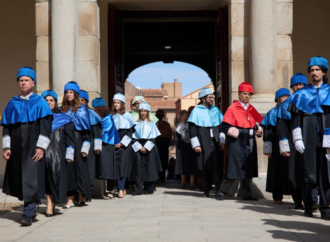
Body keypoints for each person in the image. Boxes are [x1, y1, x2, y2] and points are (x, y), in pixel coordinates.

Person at [1, 67, 52, 226]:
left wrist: (41, 147)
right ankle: (31, 206)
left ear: (33, 83)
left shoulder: (40, 102)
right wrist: (6, 147)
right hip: (16, 148)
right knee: (20, 179)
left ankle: (28, 213)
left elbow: (45, 127)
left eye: (26, 80)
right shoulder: (12, 103)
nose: (23, 83)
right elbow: (7, 127)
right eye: (21, 81)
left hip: (33, 147)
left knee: (31, 178)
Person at [289, 56, 330, 219]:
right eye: (312, 70)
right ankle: (308, 205)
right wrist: (297, 137)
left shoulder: (329, 91)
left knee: (326, 172)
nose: (314, 73)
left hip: (326, 137)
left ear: (323, 72)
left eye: (317, 70)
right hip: (308, 136)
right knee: (308, 171)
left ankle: (325, 208)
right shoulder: (302, 94)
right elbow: (295, 118)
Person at [218, 82, 263, 201]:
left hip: (249, 142)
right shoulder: (232, 108)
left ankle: (247, 194)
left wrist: (259, 131)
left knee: (248, 167)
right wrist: (237, 131)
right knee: (234, 167)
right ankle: (222, 191)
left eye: (249, 94)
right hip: (236, 142)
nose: (247, 96)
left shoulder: (252, 109)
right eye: (245, 94)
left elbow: (259, 123)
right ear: (239, 94)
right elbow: (225, 127)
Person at [275, 73, 307, 209]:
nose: (298, 87)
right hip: (291, 142)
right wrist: (284, 146)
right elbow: (281, 128)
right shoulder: (284, 106)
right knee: (294, 172)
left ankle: (310, 199)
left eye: (301, 85)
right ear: (292, 87)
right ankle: (298, 200)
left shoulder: (312, 100)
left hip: (309, 140)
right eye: (295, 85)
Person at [41, 90, 74, 217]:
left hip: (58, 154)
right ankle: (49, 203)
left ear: (55, 102)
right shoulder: (39, 118)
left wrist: (70, 153)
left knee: (55, 179)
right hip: (42, 153)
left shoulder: (64, 118)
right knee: (45, 179)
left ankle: (51, 204)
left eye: (51, 100)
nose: (49, 102)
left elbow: (70, 138)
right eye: (46, 100)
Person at [188, 87, 225, 198]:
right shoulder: (196, 111)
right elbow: (192, 130)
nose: (212, 99)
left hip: (216, 142)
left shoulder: (216, 110)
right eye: (209, 97)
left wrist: (222, 141)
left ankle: (218, 189)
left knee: (217, 167)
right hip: (203, 143)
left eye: (212, 97)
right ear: (203, 99)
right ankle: (206, 190)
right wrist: (196, 144)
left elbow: (222, 127)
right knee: (204, 167)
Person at [61, 81, 92, 208]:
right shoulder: (62, 109)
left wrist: (85, 148)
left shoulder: (82, 109)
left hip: (78, 141)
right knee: (69, 170)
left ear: (76, 94)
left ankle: (81, 195)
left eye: (71, 92)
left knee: (79, 169)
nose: (69, 94)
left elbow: (87, 133)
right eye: (67, 92)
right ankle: (69, 199)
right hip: (66, 142)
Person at [261, 88, 291, 205]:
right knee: (276, 170)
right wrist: (268, 148)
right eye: (282, 97)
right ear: (277, 99)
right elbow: (267, 132)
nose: (285, 99)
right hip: (275, 144)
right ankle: (277, 196)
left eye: (287, 97)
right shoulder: (272, 113)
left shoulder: (291, 110)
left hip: (290, 143)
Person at [130, 102, 162, 195]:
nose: (143, 113)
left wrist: (146, 147)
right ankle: (138, 189)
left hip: (149, 147)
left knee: (149, 167)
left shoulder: (152, 124)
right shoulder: (135, 123)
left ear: (148, 112)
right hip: (138, 146)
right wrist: (140, 147)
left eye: (145, 111)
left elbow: (154, 138)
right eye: (141, 111)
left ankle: (149, 188)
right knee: (137, 168)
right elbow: (132, 137)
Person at [92, 97, 120, 199]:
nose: (94, 110)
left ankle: (111, 191)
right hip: (99, 144)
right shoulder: (97, 117)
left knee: (109, 169)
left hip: (107, 145)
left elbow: (105, 131)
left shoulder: (107, 118)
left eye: (95, 108)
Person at [79, 90, 102, 200]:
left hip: (90, 143)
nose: (80, 102)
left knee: (88, 167)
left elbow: (96, 131)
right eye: (77, 100)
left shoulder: (91, 114)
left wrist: (97, 146)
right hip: (78, 142)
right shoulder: (73, 112)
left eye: (82, 100)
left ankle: (88, 192)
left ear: (86, 101)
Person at [111, 93, 135, 198]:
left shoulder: (127, 116)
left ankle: (121, 189)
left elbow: (130, 132)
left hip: (124, 145)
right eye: (115, 103)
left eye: (118, 103)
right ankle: (112, 189)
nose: (116, 105)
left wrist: (121, 143)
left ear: (122, 104)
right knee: (113, 166)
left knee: (122, 167)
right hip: (112, 143)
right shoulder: (111, 115)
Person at [174, 110, 197, 189]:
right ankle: (183, 182)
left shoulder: (191, 124)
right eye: (183, 116)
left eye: (186, 116)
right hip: (182, 147)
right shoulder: (179, 125)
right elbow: (178, 134)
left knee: (192, 164)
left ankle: (192, 183)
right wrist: (183, 123)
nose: (185, 118)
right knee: (182, 164)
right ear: (180, 117)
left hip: (190, 146)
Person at [155, 110, 172, 182]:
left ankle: (162, 177)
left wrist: (165, 142)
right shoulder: (154, 124)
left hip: (163, 144)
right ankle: (156, 177)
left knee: (163, 161)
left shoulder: (166, 125)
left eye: (160, 116)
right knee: (155, 161)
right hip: (155, 143)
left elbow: (169, 135)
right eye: (158, 116)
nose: (159, 117)